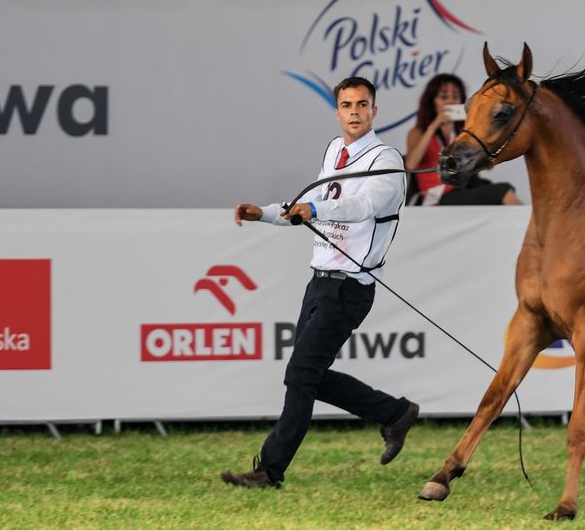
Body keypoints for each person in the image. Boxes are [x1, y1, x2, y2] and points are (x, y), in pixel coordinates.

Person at [222, 77, 419, 489]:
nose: (354, 112)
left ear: (374, 111)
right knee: (308, 374)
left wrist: (313, 208)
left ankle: (270, 470)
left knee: (301, 373)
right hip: (318, 281)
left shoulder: (387, 161)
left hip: (349, 288)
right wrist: (267, 213)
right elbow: (308, 200)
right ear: (337, 111)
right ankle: (395, 413)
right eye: (346, 105)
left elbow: (359, 207)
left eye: (362, 105)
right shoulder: (334, 150)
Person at [405, 73, 522, 206]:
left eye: (456, 96)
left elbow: (485, 165)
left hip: (464, 188)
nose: (450, 101)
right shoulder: (419, 131)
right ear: (432, 102)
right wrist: (433, 126)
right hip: (436, 196)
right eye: (444, 97)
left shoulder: (465, 132)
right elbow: (411, 164)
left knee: (502, 190)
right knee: (503, 192)